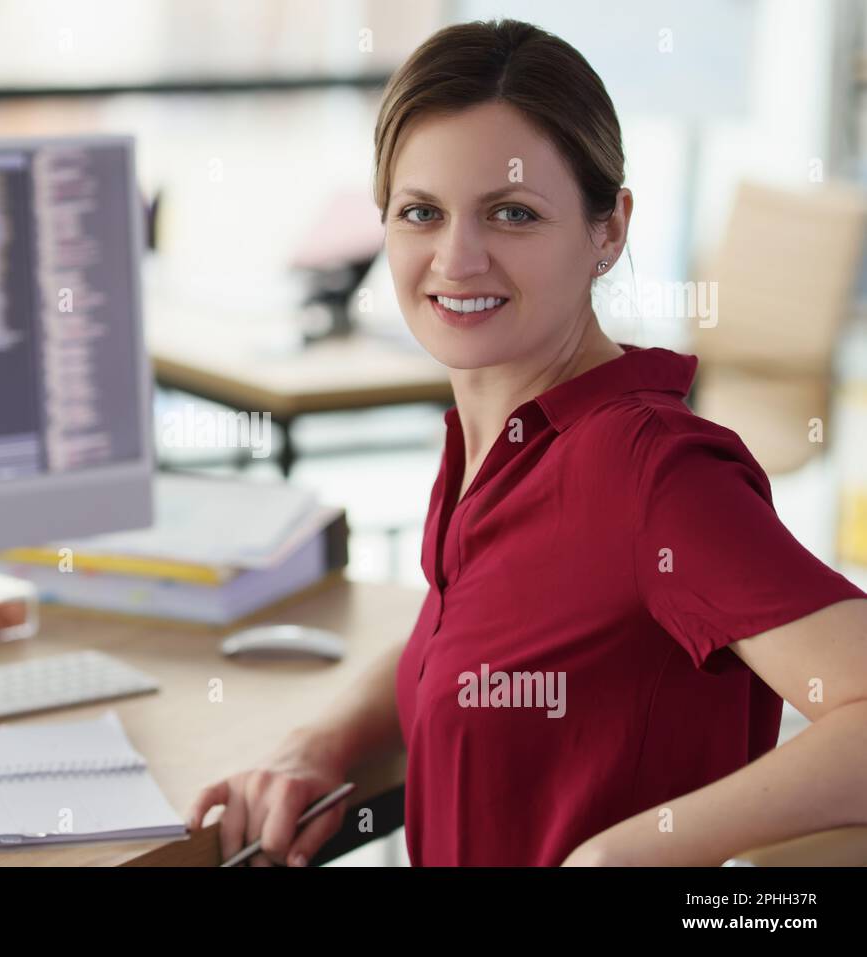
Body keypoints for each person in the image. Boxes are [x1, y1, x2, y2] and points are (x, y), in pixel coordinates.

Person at [187, 18, 867, 867]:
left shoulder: (653, 471)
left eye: (512, 214)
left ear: (608, 230)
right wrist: (320, 741)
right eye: (421, 213)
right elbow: (471, 635)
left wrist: (622, 858)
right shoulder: (496, 445)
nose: (457, 258)